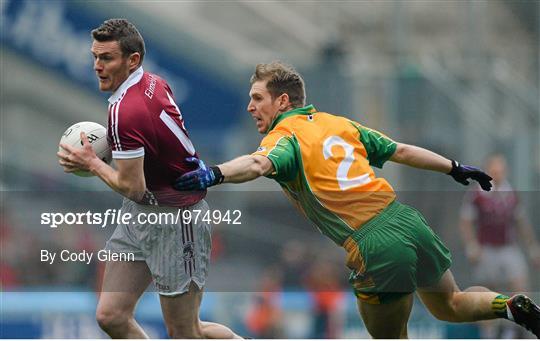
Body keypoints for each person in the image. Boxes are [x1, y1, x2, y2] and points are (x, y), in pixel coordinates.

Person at [173, 61, 540, 338]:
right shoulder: (339, 123)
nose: (250, 107)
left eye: (257, 99)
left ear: (282, 101)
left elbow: (256, 163)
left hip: (374, 243)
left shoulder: (285, 136)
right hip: (406, 221)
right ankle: (508, 305)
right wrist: (455, 167)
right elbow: (402, 150)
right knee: (452, 303)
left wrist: (214, 173)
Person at [57, 18, 240, 339]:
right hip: (140, 210)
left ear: (133, 60)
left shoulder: (127, 112)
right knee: (111, 316)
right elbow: (149, 149)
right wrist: (106, 155)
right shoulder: (153, 82)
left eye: (107, 58)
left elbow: (132, 184)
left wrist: (92, 162)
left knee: (186, 331)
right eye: (95, 57)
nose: (97, 66)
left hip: (176, 218)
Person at [460, 153, 540, 338]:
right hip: (487, 248)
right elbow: (465, 222)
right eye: (494, 170)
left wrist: (532, 247)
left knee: (520, 284)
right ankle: (489, 332)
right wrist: (471, 245)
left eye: (501, 170)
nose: (498, 174)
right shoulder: (477, 194)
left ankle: (517, 330)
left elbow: (521, 223)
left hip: (507, 247)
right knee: (489, 293)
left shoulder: (510, 194)